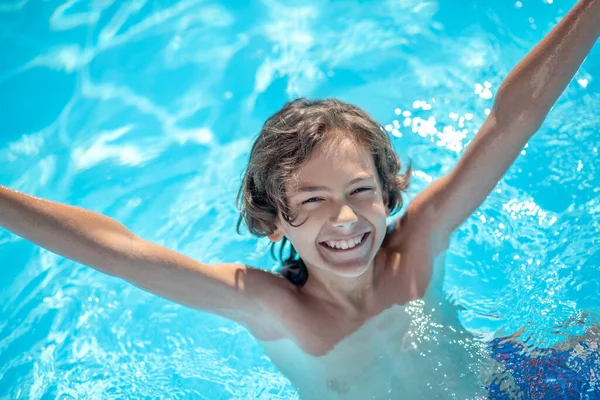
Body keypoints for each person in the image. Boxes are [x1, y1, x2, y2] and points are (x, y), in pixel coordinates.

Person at [1, 0, 598, 398]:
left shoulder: (417, 242)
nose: (343, 217)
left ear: (389, 193)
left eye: (360, 190)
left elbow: (510, 120)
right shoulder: (273, 308)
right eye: (310, 201)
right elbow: (117, 251)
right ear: (273, 221)